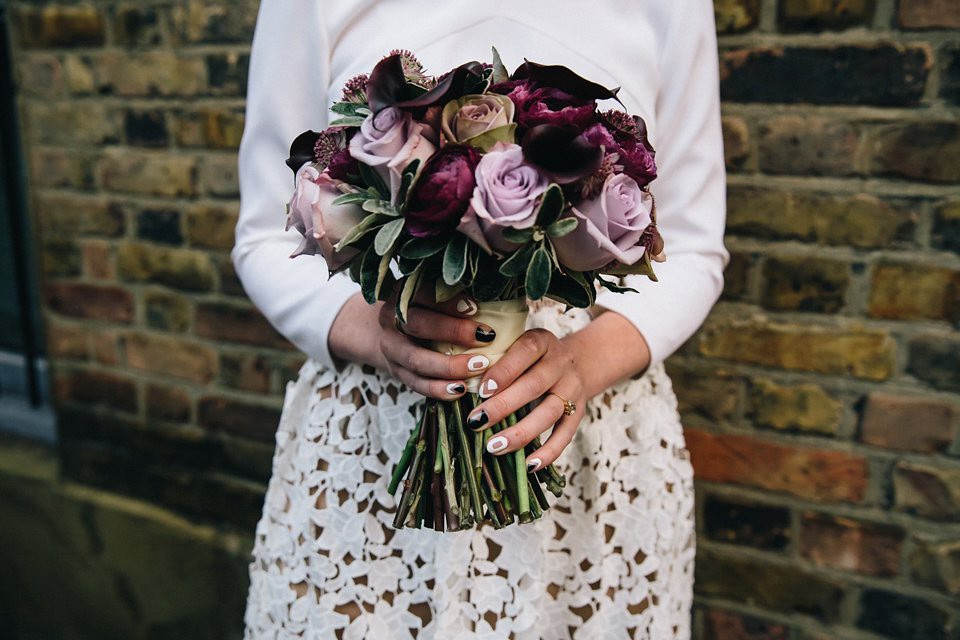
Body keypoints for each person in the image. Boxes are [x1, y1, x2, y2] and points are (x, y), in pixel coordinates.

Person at [232, 1, 728, 638]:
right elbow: (266, 235)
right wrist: (374, 332)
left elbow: (690, 245)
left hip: (589, 439)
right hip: (375, 434)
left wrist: (581, 362)